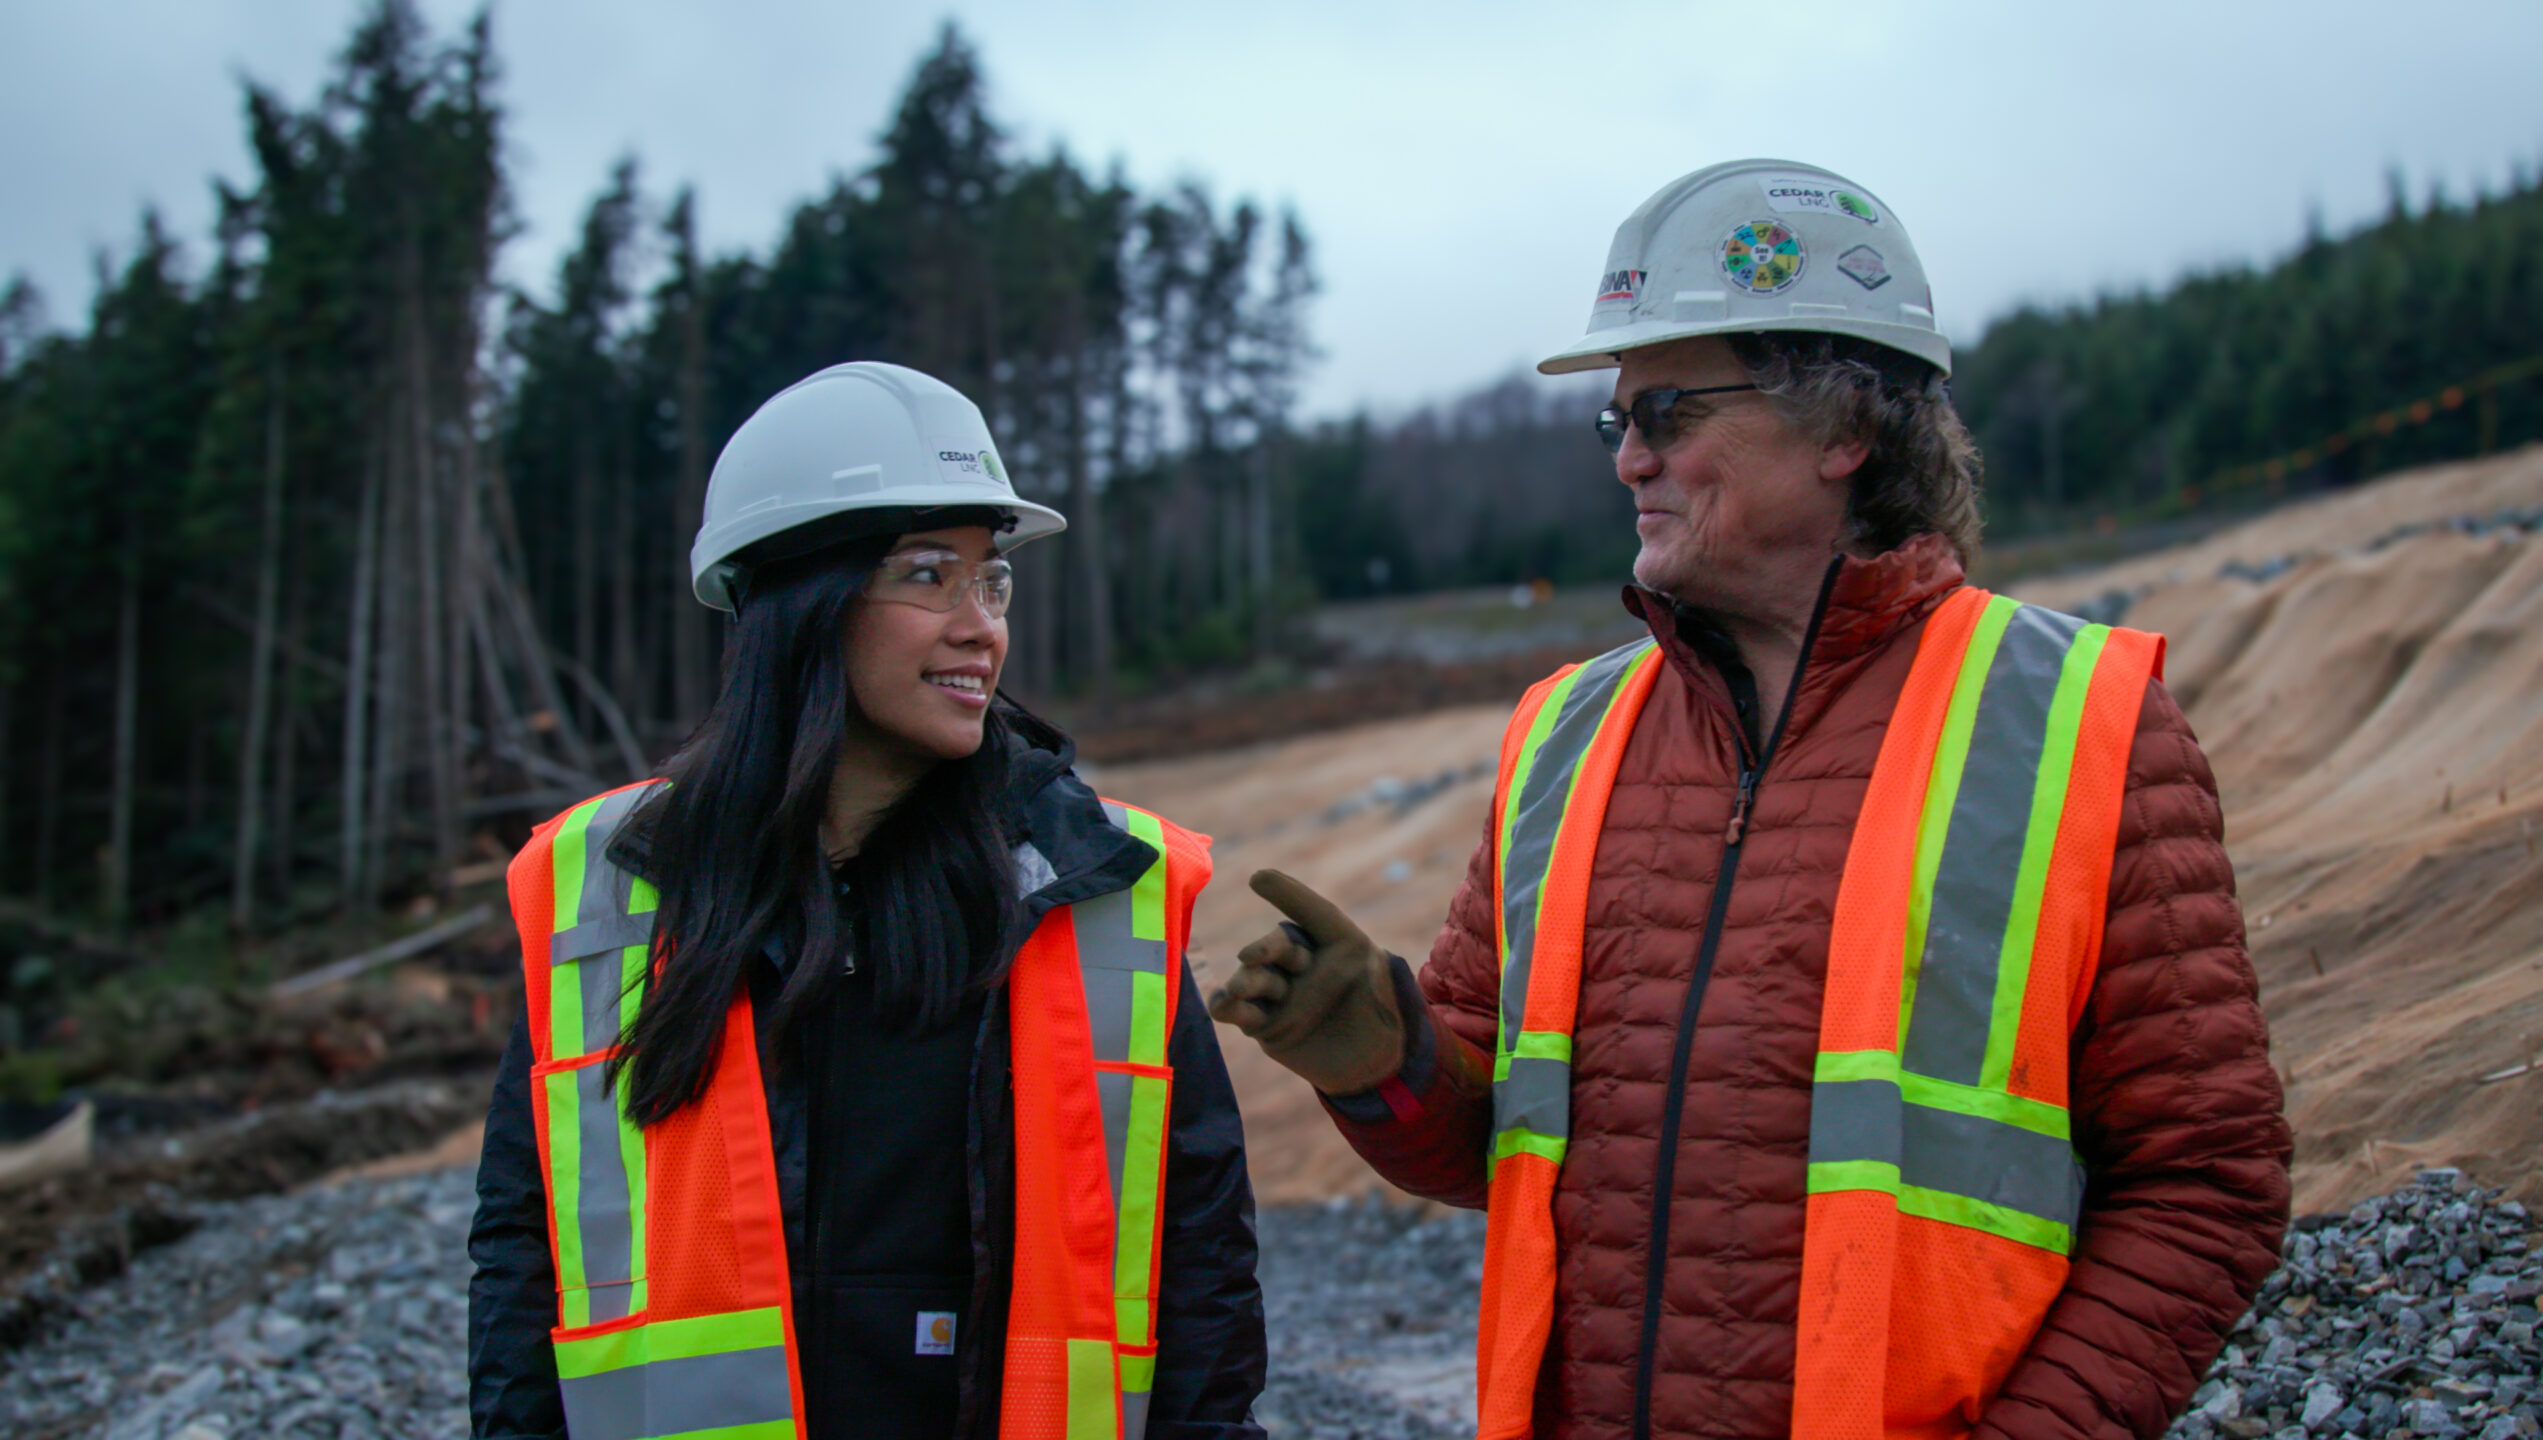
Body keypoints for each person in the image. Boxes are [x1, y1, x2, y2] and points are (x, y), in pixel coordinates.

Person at [1210, 161, 2291, 1440]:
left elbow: (2205, 1186)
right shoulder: (1568, 735)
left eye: (1665, 411)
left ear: (1846, 427)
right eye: (1612, 421)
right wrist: (1384, 1066)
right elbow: (1492, 1146)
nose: (1627, 459)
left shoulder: (2080, 726)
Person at [469, 362, 1266, 1440]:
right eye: (927, 574)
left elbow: (1199, 1256)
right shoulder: (612, 888)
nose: (980, 625)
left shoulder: (1087, 888)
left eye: (992, 580)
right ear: (795, 603)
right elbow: (527, 1255)